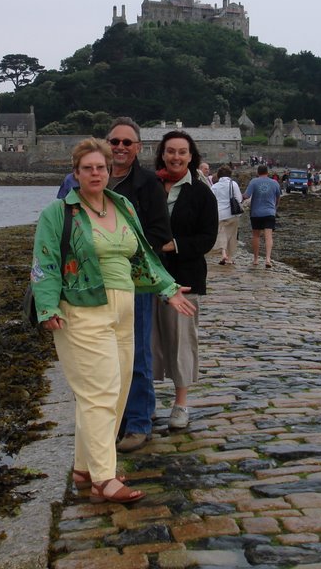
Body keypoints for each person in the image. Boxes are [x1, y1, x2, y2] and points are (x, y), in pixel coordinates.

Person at [31, 138, 195, 504]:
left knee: (116, 392)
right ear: (75, 173)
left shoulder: (122, 207)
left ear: (109, 171)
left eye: (100, 167)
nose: (95, 173)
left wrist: (167, 288)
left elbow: (143, 257)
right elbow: (44, 263)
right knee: (99, 393)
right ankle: (104, 478)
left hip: (125, 309)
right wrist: (48, 308)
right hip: (82, 308)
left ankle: (84, 469)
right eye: (87, 168)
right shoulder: (59, 213)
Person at [105, 117, 174, 453]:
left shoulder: (147, 183)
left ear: (138, 148)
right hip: (96, 283)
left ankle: (139, 423)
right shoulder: (92, 178)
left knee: (137, 354)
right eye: (114, 141)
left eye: (126, 143)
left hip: (137, 283)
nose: (119, 147)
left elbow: (161, 235)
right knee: (105, 355)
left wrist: (121, 248)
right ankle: (113, 421)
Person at [151, 130, 218, 431]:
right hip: (147, 277)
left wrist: (173, 245)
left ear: (191, 156)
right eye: (170, 151)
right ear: (162, 154)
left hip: (185, 278)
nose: (176, 156)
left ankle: (181, 405)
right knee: (147, 342)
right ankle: (146, 402)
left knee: (181, 342)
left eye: (182, 151)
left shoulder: (201, 192)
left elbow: (208, 238)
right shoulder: (150, 186)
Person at [243, 164, 282, 268]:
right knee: (268, 236)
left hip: (256, 212)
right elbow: (278, 197)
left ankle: (255, 259)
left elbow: (246, 196)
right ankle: (268, 259)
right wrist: (275, 207)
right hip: (270, 212)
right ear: (267, 172)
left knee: (256, 236)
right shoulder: (274, 183)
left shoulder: (254, 182)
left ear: (257, 172)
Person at [210, 165, 241, 265]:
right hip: (232, 214)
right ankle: (230, 258)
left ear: (218, 175)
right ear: (230, 174)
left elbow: (211, 201)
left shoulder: (214, 186)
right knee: (232, 236)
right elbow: (239, 198)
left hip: (218, 214)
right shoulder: (233, 184)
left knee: (221, 233)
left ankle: (223, 253)